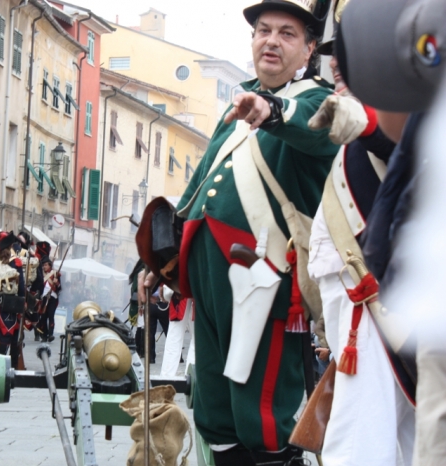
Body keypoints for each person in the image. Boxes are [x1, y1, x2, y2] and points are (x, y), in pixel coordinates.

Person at [143, 1, 338, 463]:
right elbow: (196, 190)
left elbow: (309, 126)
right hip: (206, 273)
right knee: (212, 397)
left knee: (261, 401)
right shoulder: (240, 103)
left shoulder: (315, 100)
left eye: (287, 34)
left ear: (310, 49)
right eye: (263, 31)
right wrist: (158, 263)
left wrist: (268, 110)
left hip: (264, 276)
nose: (271, 40)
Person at [306, 5, 415, 463]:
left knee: (361, 438)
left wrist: (368, 125)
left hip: (379, 300)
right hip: (367, 299)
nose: (337, 63)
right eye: (337, 50)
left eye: (353, 51)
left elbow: (408, 147)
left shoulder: (397, 113)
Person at [0, 232, 26, 368]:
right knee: (11, 334)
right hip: (10, 301)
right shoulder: (16, 261)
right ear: (11, 246)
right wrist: (23, 300)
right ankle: (11, 365)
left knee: (1, 334)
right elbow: (21, 286)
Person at [160, 286, 195, 377]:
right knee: (197, 341)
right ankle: (191, 379)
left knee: (174, 338)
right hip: (194, 286)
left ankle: (166, 378)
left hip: (179, 286)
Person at [37, 258, 60, 343]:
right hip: (43, 297)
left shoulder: (55, 274)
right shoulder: (41, 274)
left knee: (51, 315)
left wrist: (56, 282)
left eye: (46, 265)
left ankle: (50, 334)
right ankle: (44, 335)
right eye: (43, 265)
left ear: (50, 265)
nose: (44, 267)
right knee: (43, 317)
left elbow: (59, 287)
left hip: (52, 297)